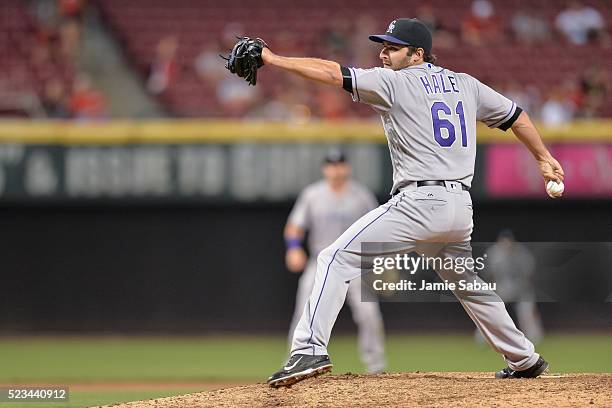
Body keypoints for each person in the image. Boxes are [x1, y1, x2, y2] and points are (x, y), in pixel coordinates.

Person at [258, 18, 564, 387]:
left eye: (393, 47)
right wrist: (542, 157)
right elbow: (517, 116)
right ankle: (524, 358)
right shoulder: (466, 84)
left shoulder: (396, 81)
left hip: (420, 201)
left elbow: (332, 73)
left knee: (335, 258)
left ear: (417, 54)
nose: (384, 54)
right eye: (383, 47)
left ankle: (309, 349)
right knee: (468, 283)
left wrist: (272, 59)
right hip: (458, 206)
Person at [285, 148, 386, 374]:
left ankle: (376, 365)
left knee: (368, 314)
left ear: (347, 168)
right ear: (325, 169)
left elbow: (379, 227)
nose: (336, 169)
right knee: (303, 311)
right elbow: (294, 227)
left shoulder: (361, 195)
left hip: (356, 264)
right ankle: (293, 361)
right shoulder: (312, 194)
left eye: (340, 164)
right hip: (320, 261)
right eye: (331, 164)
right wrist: (293, 249)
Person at [476, 230, 544, 344]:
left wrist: (525, 289)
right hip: (502, 287)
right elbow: (490, 275)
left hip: (520, 287)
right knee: (490, 311)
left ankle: (535, 337)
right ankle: (482, 337)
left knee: (527, 311)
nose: (506, 244)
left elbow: (528, 274)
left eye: (508, 242)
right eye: (503, 242)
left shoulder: (522, 253)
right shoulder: (494, 253)